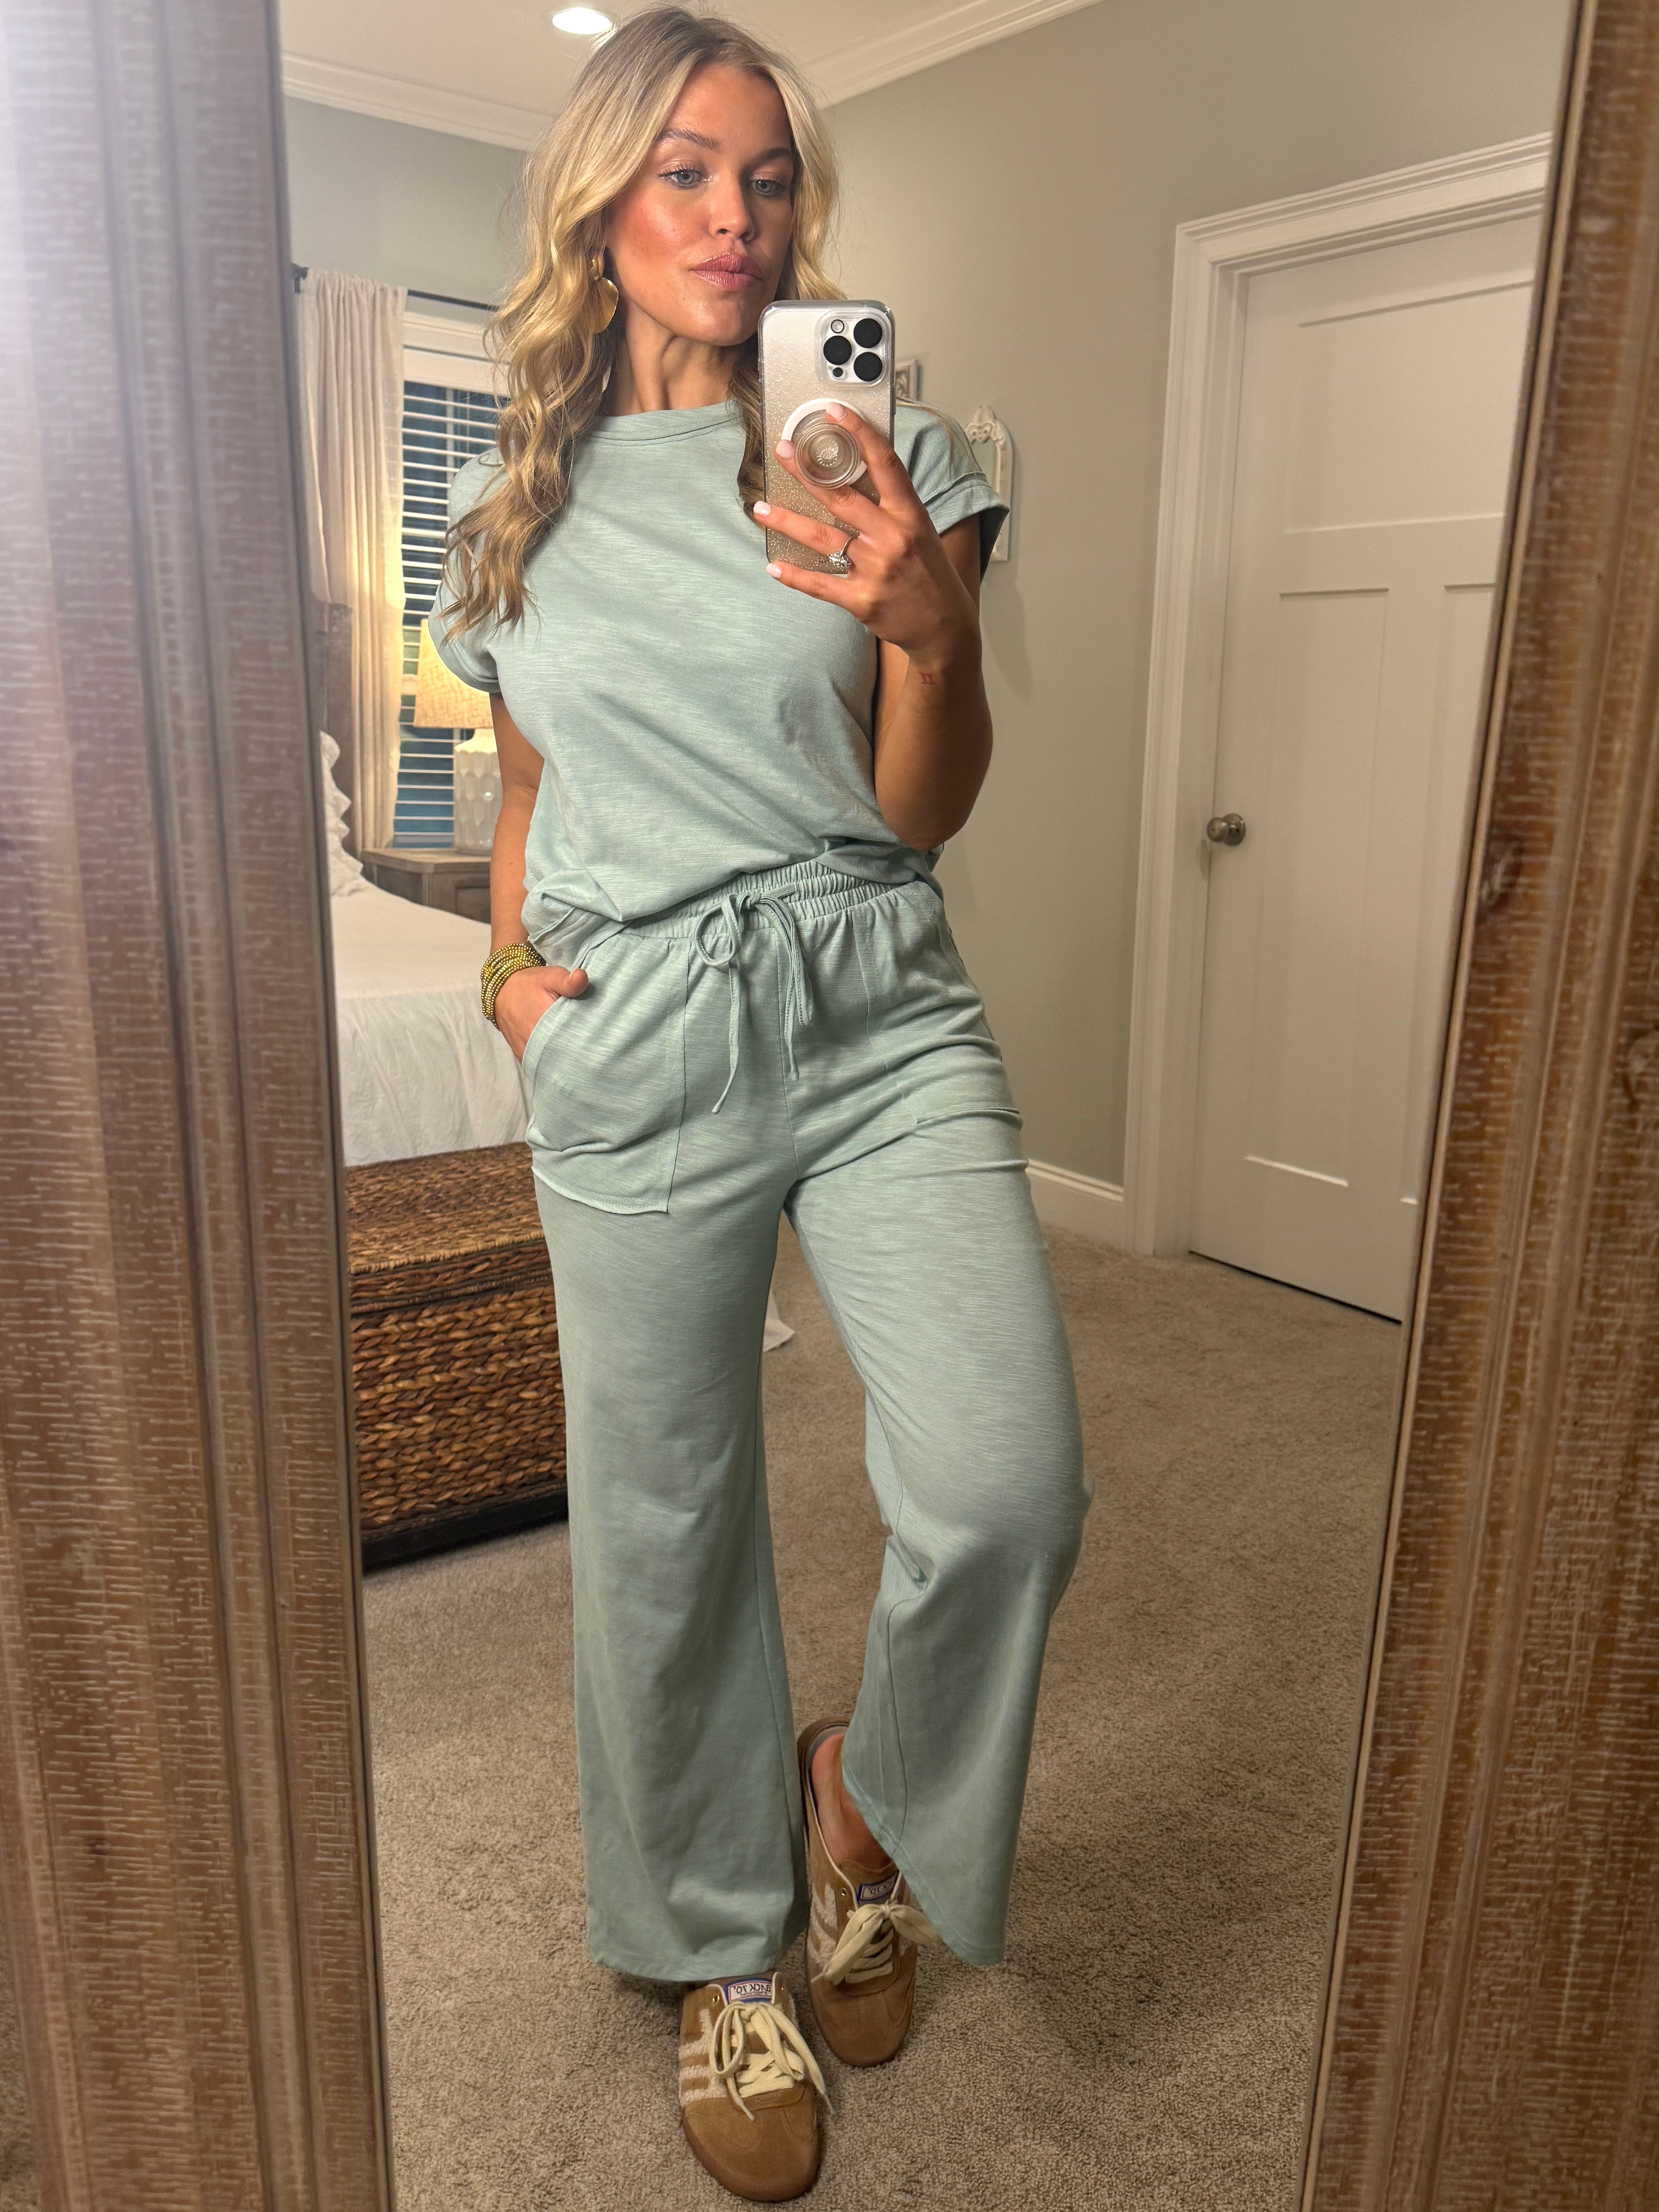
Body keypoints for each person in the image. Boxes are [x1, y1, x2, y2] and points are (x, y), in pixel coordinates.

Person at [429, 10, 1090, 2199]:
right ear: (601, 204)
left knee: (1002, 1484)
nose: (734, 215)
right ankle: (722, 1950)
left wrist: (934, 626)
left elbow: (922, 807)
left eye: (770, 175)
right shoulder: (508, 504)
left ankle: (855, 1807)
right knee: (663, 1524)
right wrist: (510, 979)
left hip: (874, 995)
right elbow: (528, 796)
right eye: (685, 173)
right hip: (636, 1038)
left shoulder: (883, 446)